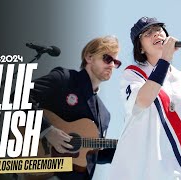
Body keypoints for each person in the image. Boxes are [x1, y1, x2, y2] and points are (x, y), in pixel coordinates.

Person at [108, 17, 181, 180]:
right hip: (139, 173)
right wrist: (164, 59)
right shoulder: (133, 74)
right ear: (141, 48)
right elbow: (143, 100)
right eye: (148, 33)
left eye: (159, 30)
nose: (156, 34)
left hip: (179, 173)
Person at [29, 35, 121, 180]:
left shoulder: (104, 114)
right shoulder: (64, 78)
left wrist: (124, 150)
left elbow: (91, 155)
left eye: (116, 62)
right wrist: (47, 130)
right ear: (89, 57)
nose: (112, 65)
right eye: (107, 59)